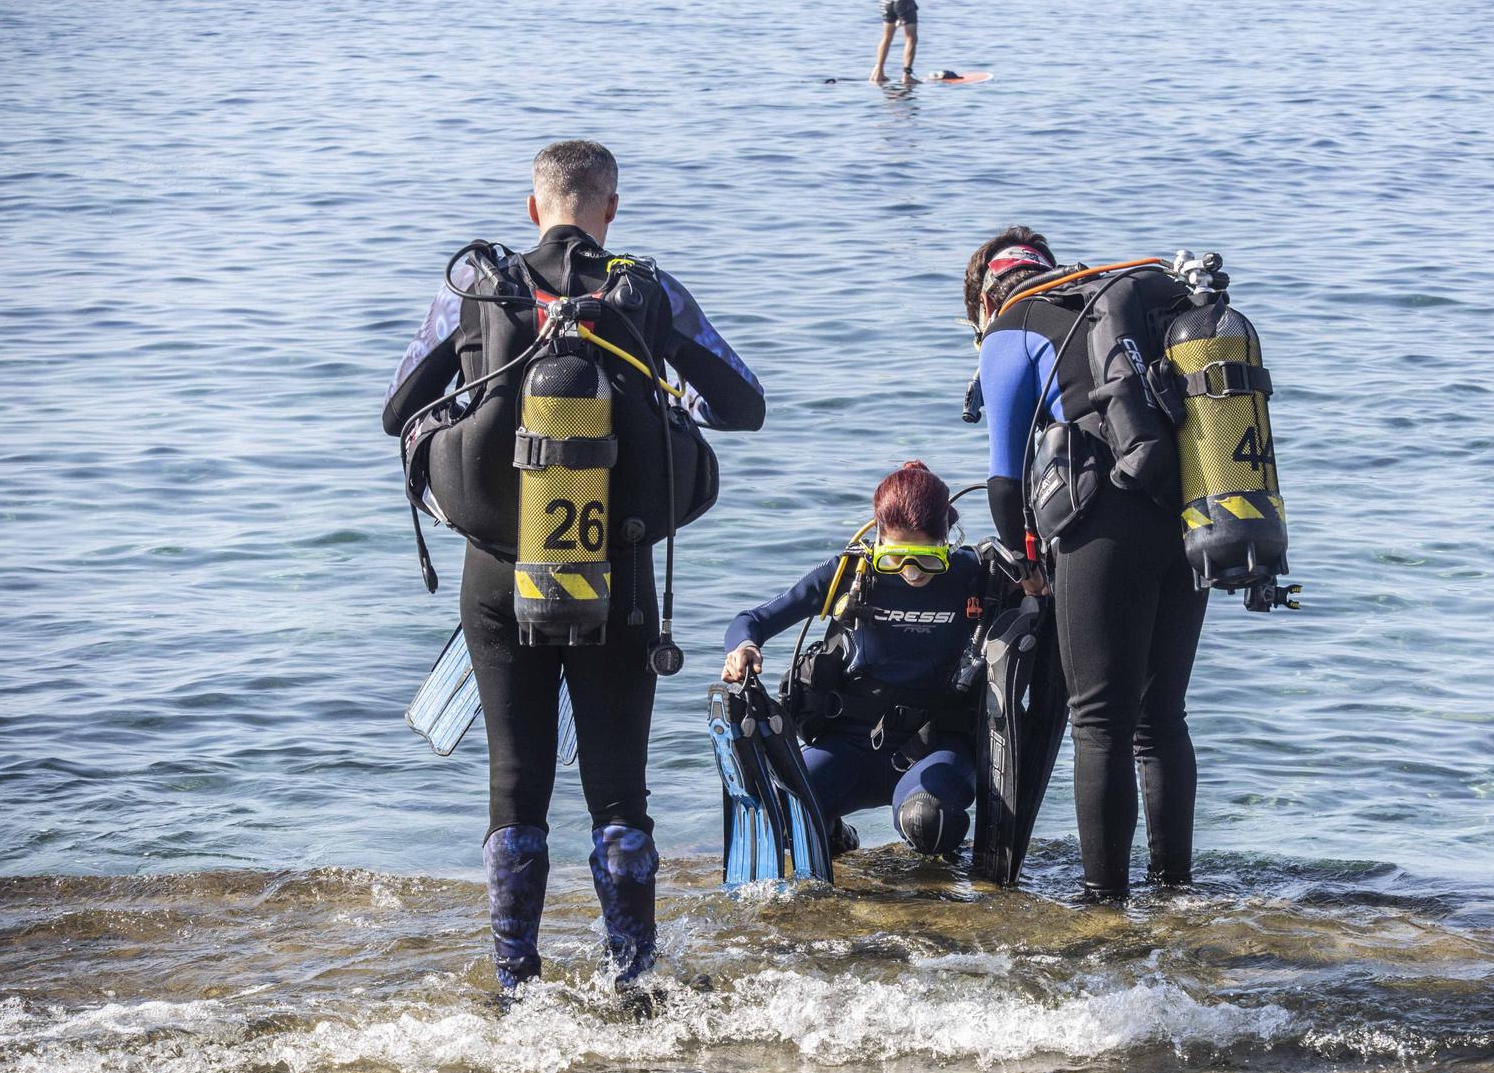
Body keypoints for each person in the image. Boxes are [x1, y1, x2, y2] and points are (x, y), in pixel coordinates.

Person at [383, 140, 765, 994]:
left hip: (498, 575)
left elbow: (397, 406)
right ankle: (632, 980)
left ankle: (517, 987)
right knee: (619, 792)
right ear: (610, 208)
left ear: (533, 208)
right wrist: (667, 389)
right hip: (616, 575)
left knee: (515, 788)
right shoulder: (647, 291)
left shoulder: (479, 284)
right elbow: (743, 403)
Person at [964, 228, 1209, 900]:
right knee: (1161, 717)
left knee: (1098, 719)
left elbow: (1004, 482)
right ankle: (1176, 892)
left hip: (1110, 525)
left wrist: (1024, 563)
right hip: (1190, 506)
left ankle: (1105, 908)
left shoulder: (1010, 328)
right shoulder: (1107, 305)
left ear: (983, 303)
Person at [720, 462, 984, 858]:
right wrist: (743, 647)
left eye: (928, 560)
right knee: (783, 813)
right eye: (896, 559)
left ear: (948, 539)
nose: (912, 574)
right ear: (878, 538)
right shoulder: (849, 573)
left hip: (937, 745)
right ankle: (833, 837)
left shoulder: (974, 576)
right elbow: (752, 620)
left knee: (928, 819)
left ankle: (943, 880)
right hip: (850, 747)